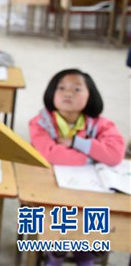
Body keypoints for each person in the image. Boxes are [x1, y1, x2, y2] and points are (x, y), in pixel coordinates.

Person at [28, 69, 125, 266]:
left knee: (100, 214)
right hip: (53, 189)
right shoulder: (40, 123)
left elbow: (114, 155)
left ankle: (86, 255)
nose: (68, 93)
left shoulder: (102, 124)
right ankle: (55, 254)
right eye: (61, 88)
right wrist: (94, 155)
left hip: (91, 192)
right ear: (51, 93)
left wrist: (76, 143)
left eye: (77, 89)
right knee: (55, 215)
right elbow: (50, 154)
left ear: (91, 95)